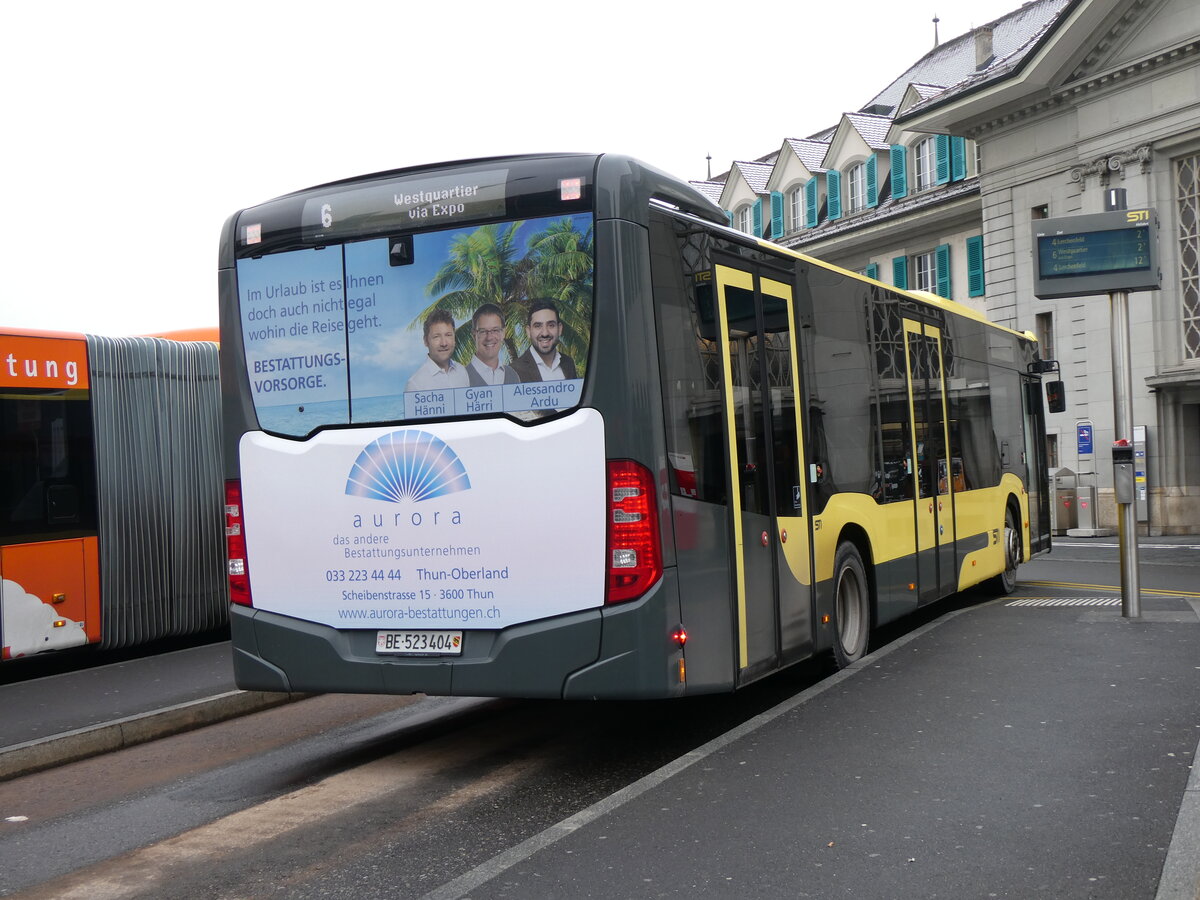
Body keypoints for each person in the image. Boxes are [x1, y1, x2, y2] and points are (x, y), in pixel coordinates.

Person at [507, 299, 577, 383]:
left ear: (560, 329)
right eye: (538, 326)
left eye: (551, 325)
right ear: (528, 331)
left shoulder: (568, 363)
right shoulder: (514, 371)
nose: (545, 333)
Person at [405, 309, 469, 392]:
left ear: (454, 338)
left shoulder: (462, 371)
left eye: (448, 335)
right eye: (436, 337)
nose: (444, 343)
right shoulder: (415, 385)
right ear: (426, 341)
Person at [467, 303, 513, 386]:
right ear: (474, 335)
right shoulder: (461, 378)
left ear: (503, 333)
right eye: (483, 331)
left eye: (495, 330)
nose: (489, 337)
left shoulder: (513, 376)